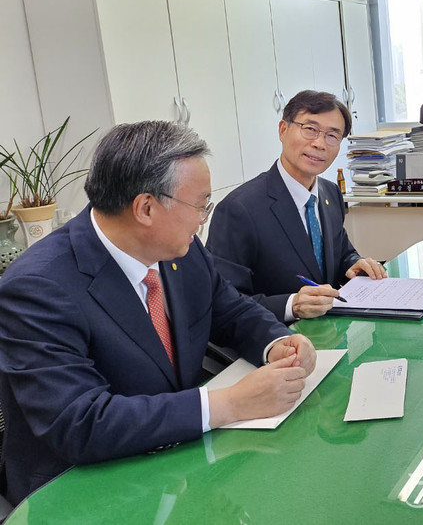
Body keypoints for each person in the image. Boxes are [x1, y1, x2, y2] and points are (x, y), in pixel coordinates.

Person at [0, 121, 317, 505]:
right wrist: (230, 403)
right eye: (200, 205)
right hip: (84, 491)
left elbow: (230, 309)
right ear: (146, 208)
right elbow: (80, 423)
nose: (204, 219)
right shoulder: (37, 287)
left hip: (178, 464)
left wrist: (278, 343)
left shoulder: (180, 250)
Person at [206, 90, 385, 323]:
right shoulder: (238, 209)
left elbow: (341, 253)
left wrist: (353, 264)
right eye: (310, 129)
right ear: (283, 129)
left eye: (333, 136)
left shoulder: (330, 193)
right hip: (276, 342)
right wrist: (291, 305)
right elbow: (223, 302)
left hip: (328, 332)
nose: (320, 143)